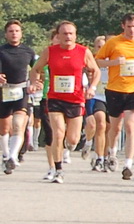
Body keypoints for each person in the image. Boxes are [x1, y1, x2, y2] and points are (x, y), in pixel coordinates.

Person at [32, 21, 97, 183]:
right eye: (64, 34)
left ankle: (72, 145)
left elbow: (95, 70)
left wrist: (92, 87)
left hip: (75, 99)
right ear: (58, 36)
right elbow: (35, 69)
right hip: (55, 98)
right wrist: (34, 82)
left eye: (71, 33)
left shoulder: (83, 52)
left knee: (73, 140)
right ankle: (58, 169)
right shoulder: (50, 51)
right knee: (58, 133)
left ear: (75, 36)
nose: (68, 36)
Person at [96, 13, 134, 179]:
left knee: (130, 126)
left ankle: (128, 164)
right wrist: (113, 63)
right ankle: (112, 153)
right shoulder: (113, 42)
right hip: (115, 89)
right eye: (129, 27)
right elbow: (98, 60)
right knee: (115, 128)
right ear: (123, 26)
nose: (132, 30)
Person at [1, 19, 38, 174]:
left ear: (21, 33)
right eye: (11, 31)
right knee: (4, 128)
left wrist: (35, 83)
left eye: (16, 31)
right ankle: (5, 154)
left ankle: (13, 156)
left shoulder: (28, 51)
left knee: (18, 124)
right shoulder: (1, 50)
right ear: (6, 34)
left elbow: (38, 69)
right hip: (4, 91)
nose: (14, 34)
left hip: (21, 90)